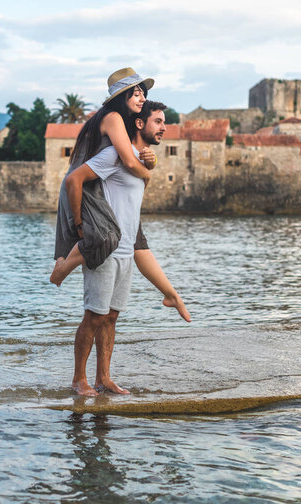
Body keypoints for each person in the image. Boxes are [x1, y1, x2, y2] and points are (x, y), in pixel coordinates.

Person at [66, 100, 190, 396]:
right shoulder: (114, 155)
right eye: (158, 121)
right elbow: (74, 180)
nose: (164, 128)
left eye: (165, 123)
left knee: (110, 317)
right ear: (139, 123)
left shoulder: (138, 160)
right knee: (93, 316)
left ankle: (104, 379)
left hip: (125, 253)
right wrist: (81, 228)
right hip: (105, 251)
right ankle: (79, 380)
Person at [50, 67, 189, 326]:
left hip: (93, 184)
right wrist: (148, 174)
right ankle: (61, 270)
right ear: (121, 96)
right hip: (86, 188)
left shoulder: (121, 122)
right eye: (135, 93)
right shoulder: (113, 117)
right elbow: (127, 159)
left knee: (130, 240)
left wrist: (152, 160)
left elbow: (134, 152)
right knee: (104, 237)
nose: (142, 98)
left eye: (143, 94)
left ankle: (171, 295)